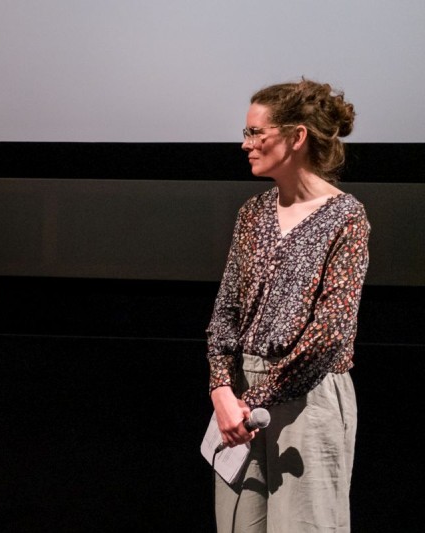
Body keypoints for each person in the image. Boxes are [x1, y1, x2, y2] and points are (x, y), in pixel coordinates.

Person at [206, 79, 370, 532]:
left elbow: (329, 333)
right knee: (239, 523)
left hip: (307, 397)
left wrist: (252, 401)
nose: (246, 144)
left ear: (297, 137)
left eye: (257, 133)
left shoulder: (345, 217)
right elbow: (225, 313)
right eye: (246, 132)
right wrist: (222, 390)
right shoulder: (253, 213)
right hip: (240, 399)